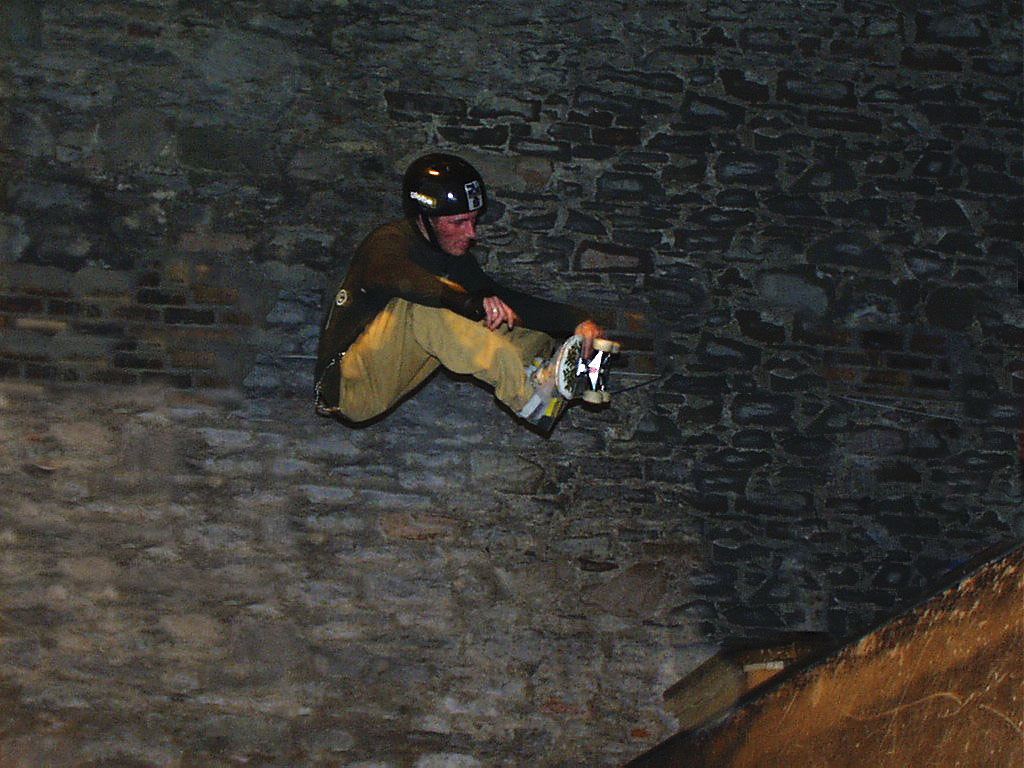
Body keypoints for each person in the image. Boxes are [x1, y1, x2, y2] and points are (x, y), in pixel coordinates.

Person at [314, 152, 606, 432]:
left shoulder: (453, 257)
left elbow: (503, 298)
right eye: (458, 223)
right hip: (348, 384)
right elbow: (404, 280)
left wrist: (578, 320)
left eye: (474, 220)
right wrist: (467, 301)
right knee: (425, 307)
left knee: (507, 316)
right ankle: (528, 398)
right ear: (425, 218)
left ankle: (545, 373)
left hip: (386, 374)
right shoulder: (387, 242)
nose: (471, 233)